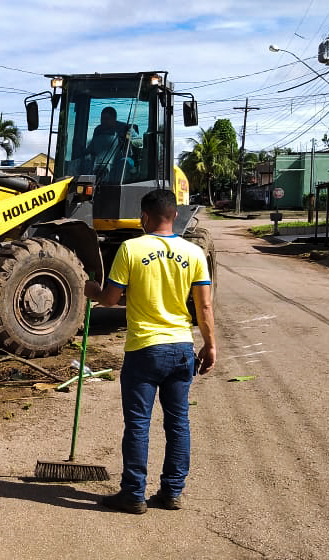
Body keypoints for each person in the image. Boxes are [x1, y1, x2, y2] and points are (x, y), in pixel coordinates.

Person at [84, 188, 217, 514]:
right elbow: (204, 307)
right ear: (174, 216)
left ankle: (133, 494)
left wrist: (92, 290)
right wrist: (211, 345)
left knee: (139, 424)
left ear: (144, 216)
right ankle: (171, 492)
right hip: (181, 347)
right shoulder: (194, 254)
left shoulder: (130, 249)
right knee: (178, 423)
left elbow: (111, 300)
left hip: (144, 349)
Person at [84, 106, 132, 182]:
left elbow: (127, 151)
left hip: (117, 163)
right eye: (102, 119)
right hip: (99, 164)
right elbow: (92, 148)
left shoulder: (124, 130)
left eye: (107, 119)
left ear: (114, 119)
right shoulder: (98, 130)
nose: (103, 121)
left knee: (124, 162)